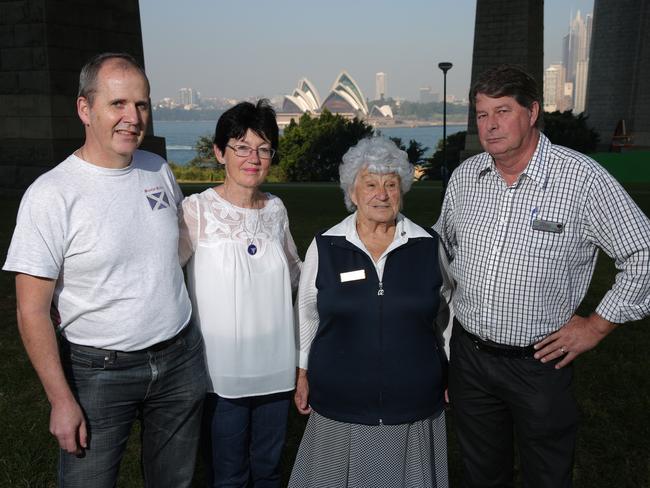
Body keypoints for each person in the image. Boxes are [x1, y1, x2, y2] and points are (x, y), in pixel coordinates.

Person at [434, 64, 650, 487]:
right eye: (482, 115)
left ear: (532, 112)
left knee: (547, 477)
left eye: (503, 111)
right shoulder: (466, 178)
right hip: (470, 359)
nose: (491, 126)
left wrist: (597, 325)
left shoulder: (581, 179)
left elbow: (643, 251)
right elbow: (442, 253)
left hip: (539, 364)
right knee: (481, 475)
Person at [2, 53, 207, 487]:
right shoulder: (51, 195)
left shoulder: (158, 169)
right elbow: (31, 311)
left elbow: (170, 249)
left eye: (142, 105)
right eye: (118, 104)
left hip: (178, 360)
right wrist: (60, 399)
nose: (132, 118)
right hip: (99, 374)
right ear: (84, 109)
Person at [289, 137, 450, 488]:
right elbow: (307, 312)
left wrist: (448, 368)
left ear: (402, 190)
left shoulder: (427, 245)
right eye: (371, 184)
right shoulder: (326, 244)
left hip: (413, 402)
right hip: (339, 401)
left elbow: (444, 310)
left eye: (391, 184)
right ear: (353, 191)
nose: (382, 193)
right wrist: (302, 372)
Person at [178, 100, 301, 488]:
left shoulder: (276, 209)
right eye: (242, 147)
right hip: (220, 374)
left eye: (263, 149)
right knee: (227, 474)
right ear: (219, 152)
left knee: (267, 470)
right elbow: (161, 276)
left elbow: (297, 276)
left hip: (276, 368)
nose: (254, 158)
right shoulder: (196, 211)